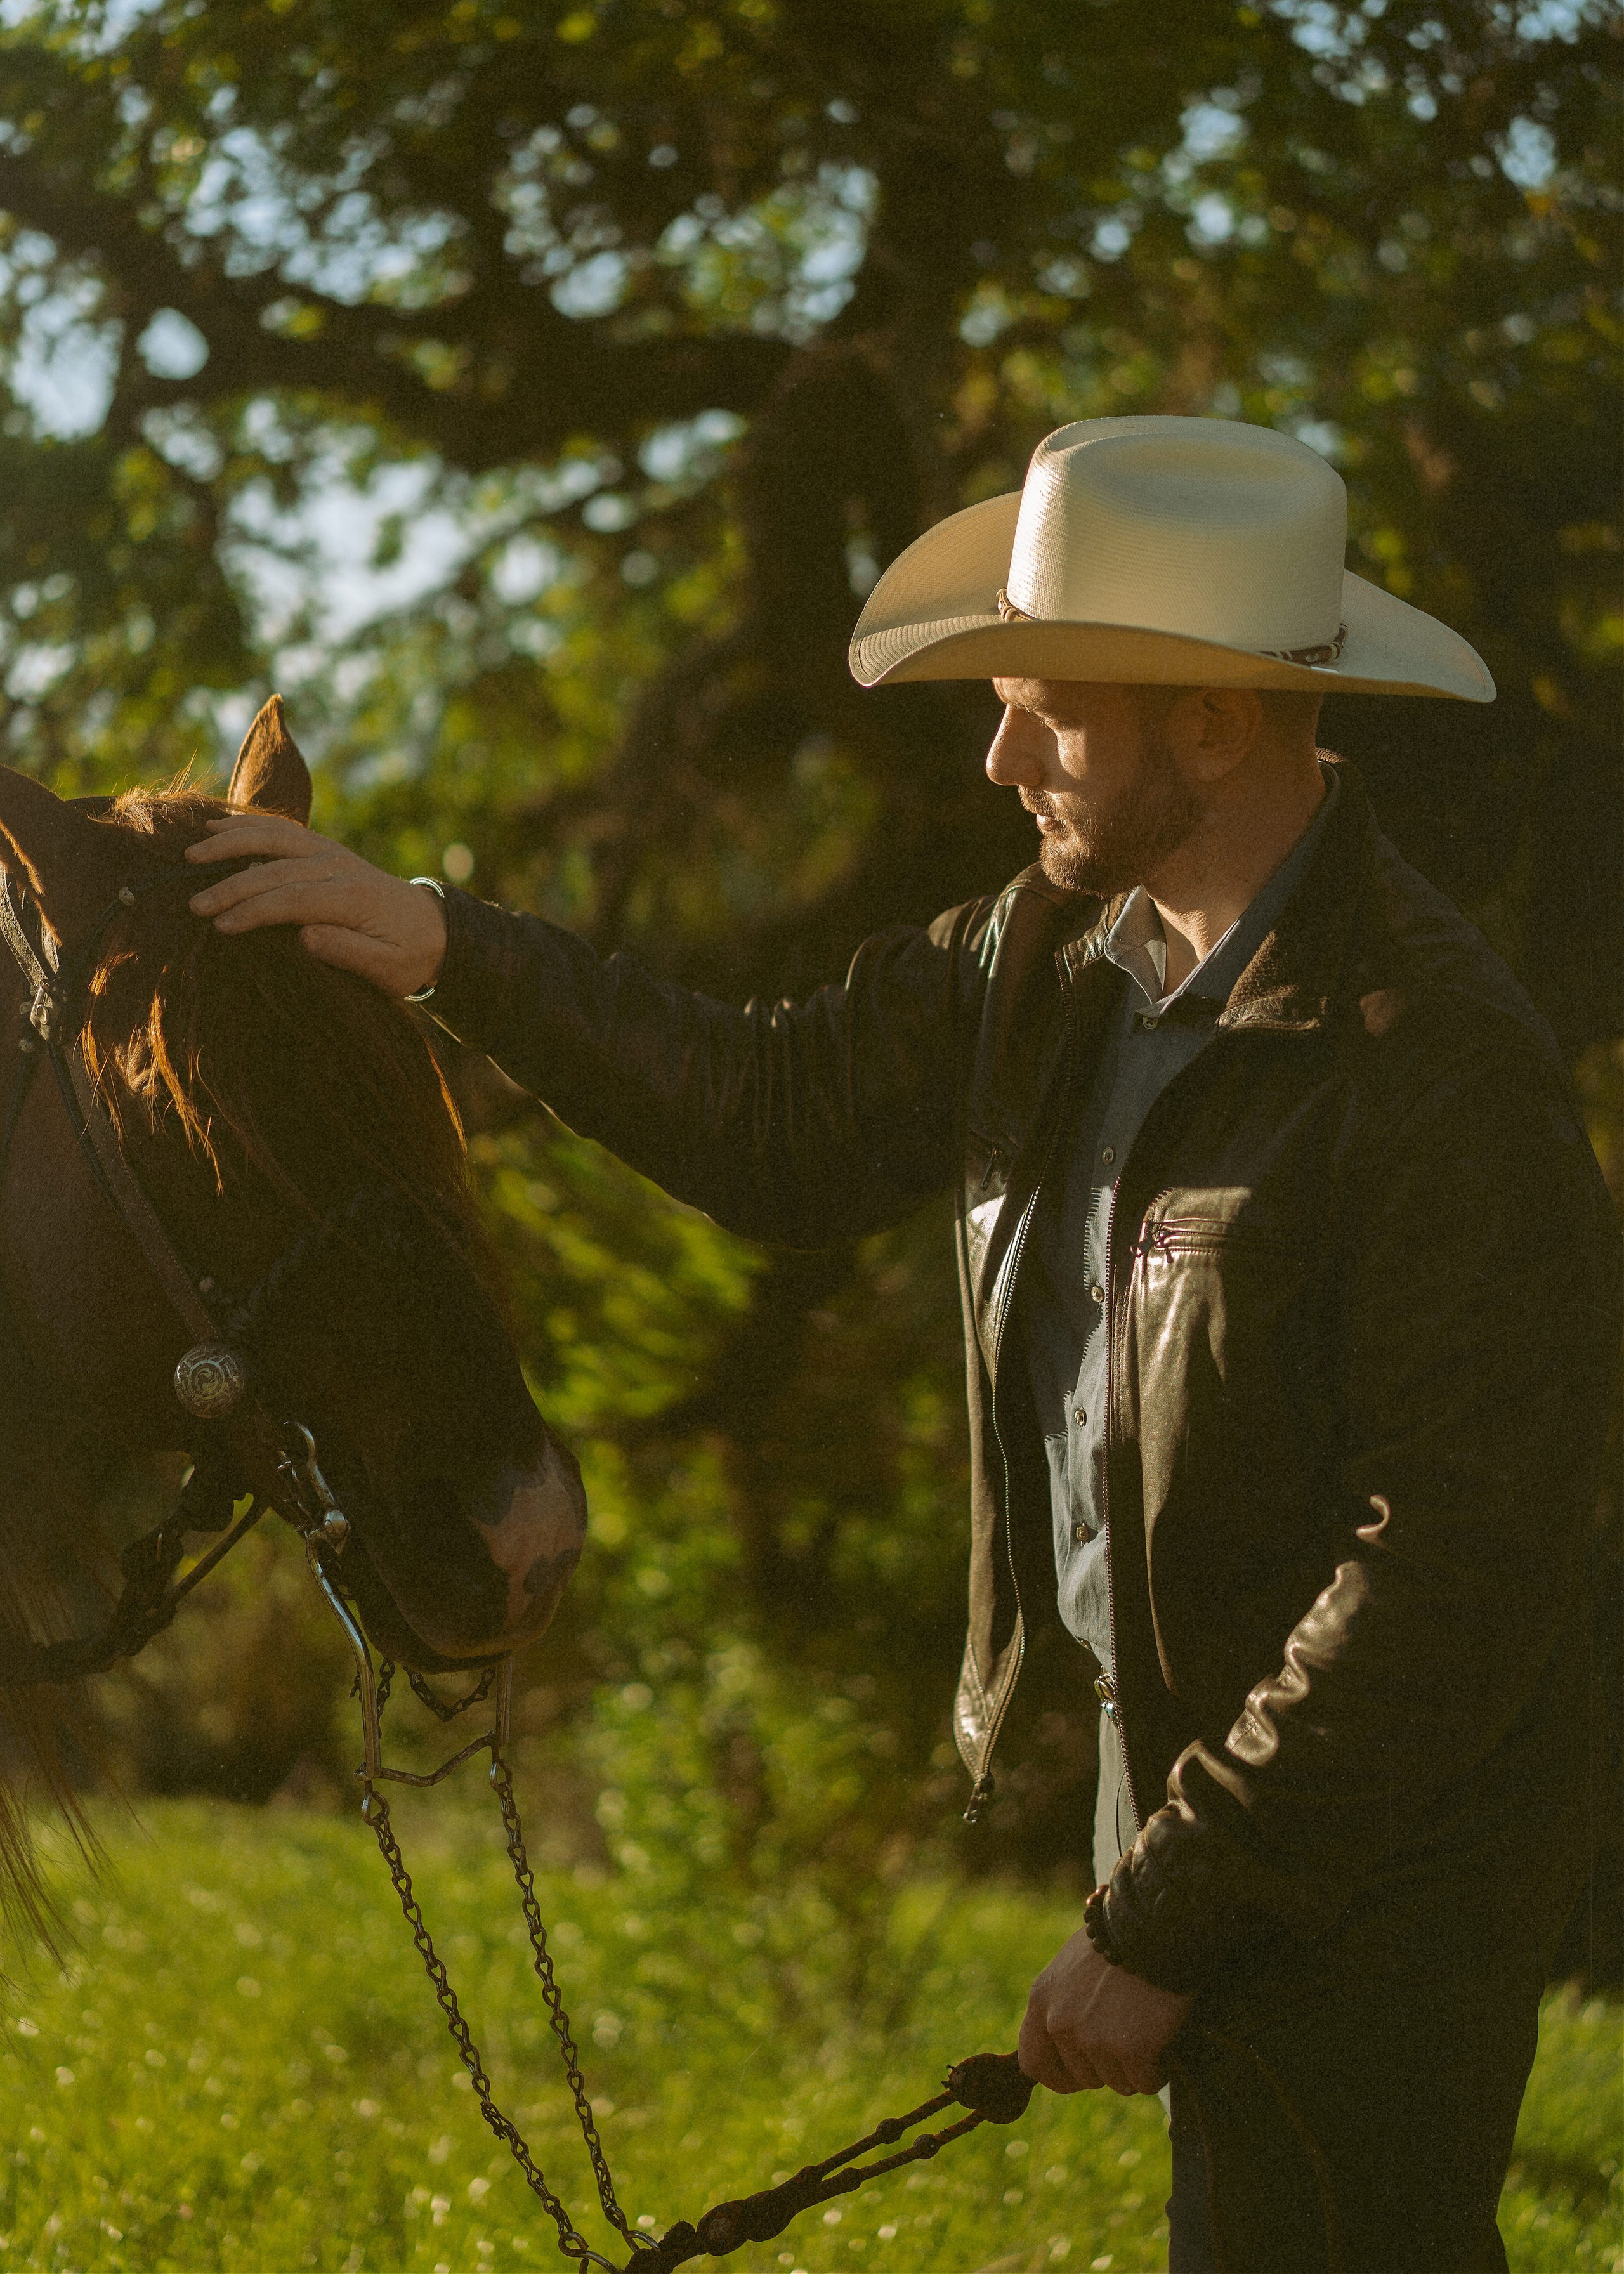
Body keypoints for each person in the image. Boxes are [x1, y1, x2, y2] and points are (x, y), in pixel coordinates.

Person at [185, 417, 1620, 2273]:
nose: (1001, 754)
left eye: (1049, 710)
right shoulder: (1049, 956)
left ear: (1213, 722)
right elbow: (773, 1111)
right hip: (1215, 1819)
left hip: (1381, 1868)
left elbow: (1453, 1569)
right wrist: (442, 942)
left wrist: (1172, 1912)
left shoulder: (1435, 1070)